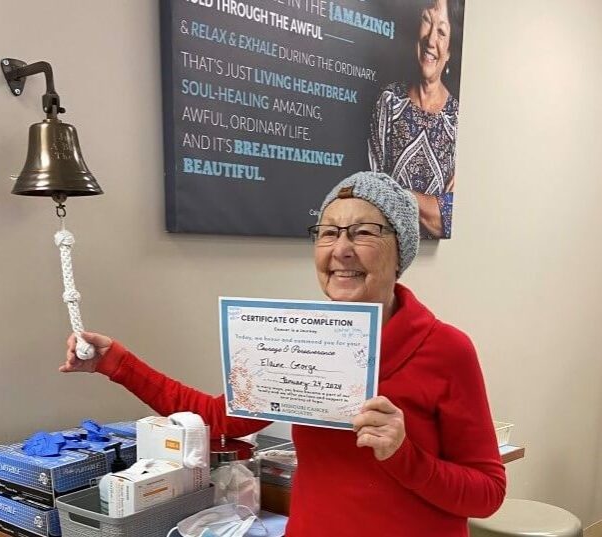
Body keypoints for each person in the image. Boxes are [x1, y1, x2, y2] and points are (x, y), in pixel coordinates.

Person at [60, 171, 505, 536]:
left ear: (400, 249)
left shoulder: (447, 350)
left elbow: (487, 492)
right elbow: (216, 420)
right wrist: (117, 363)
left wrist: (405, 454)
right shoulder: (301, 340)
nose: (341, 249)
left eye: (364, 232)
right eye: (328, 232)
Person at [368, 0, 465, 239]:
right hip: (386, 253)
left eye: (442, 31)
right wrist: (431, 204)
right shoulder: (389, 101)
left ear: (450, 50)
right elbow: (370, 194)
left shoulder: (459, 120)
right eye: (426, 21)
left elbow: (452, 220)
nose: (431, 40)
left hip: (440, 263)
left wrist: (399, 194)